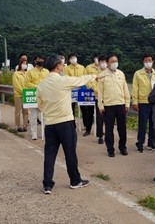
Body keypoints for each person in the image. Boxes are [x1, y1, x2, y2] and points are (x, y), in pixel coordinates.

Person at [37, 54, 98, 194]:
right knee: (70, 152)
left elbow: (40, 104)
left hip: (50, 123)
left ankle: (47, 184)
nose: (64, 66)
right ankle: (75, 180)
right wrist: (94, 76)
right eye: (62, 64)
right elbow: (80, 80)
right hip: (65, 122)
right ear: (58, 66)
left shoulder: (42, 84)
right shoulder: (63, 81)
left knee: (50, 154)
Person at [97, 54, 130, 157]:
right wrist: (101, 106)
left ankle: (122, 147)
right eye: (112, 61)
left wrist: (127, 103)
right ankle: (110, 149)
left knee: (122, 128)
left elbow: (125, 89)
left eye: (116, 61)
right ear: (107, 63)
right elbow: (100, 92)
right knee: (109, 129)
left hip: (120, 104)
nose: (115, 63)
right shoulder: (102, 75)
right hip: (108, 105)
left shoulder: (121, 74)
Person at [132, 54, 155, 153]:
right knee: (142, 124)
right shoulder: (138, 73)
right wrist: (135, 102)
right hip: (143, 102)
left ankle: (151, 142)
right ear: (143, 62)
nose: (148, 62)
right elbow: (135, 88)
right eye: (146, 60)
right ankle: (140, 142)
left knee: (153, 124)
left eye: (150, 60)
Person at [65, 53, 94, 136]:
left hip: (81, 89)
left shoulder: (82, 67)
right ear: (69, 60)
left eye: (74, 57)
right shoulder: (67, 69)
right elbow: (67, 79)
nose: (73, 59)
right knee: (72, 108)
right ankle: (72, 125)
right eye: (71, 58)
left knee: (84, 108)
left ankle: (86, 124)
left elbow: (85, 77)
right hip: (72, 90)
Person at [25, 55, 49, 140]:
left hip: (45, 97)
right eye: (39, 60)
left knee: (45, 116)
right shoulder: (30, 72)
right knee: (33, 116)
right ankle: (34, 133)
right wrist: (37, 86)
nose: (41, 62)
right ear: (35, 61)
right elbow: (27, 83)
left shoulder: (46, 72)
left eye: (42, 60)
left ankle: (45, 133)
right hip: (34, 96)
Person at [87, 54, 106, 144]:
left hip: (109, 97)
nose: (103, 63)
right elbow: (91, 82)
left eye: (105, 61)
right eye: (102, 61)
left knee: (108, 117)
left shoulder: (109, 72)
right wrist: (95, 89)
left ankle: (108, 134)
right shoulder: (95, 72)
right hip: (98, 96)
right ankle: (100, 136)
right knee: (99, 117)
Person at [13, 59, 29, 132]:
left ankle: (25, 125)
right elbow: (17, 85)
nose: (24, 65)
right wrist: (23, 92)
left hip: (26, 95)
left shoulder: (27, 73)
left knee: (26, 111)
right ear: (20, 64)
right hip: (19, 95)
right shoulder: (16, 74)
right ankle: (18, 126)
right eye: (23, 63)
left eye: (26, 63)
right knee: (18, 111)